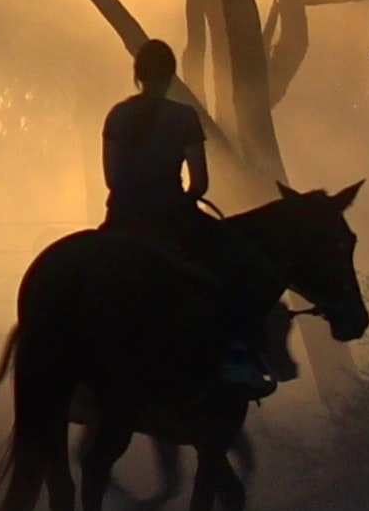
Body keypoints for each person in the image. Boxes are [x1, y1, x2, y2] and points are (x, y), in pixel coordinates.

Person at [101, 40, 276, 394]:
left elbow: (112, 179)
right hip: (172, 219)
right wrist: (180, 199)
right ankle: (237, 359)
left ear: (137, 74)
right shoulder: (182, 117)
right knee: (246, 264)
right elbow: (199, 182)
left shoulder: (118, 115)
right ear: (170, 76)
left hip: (121, 218)